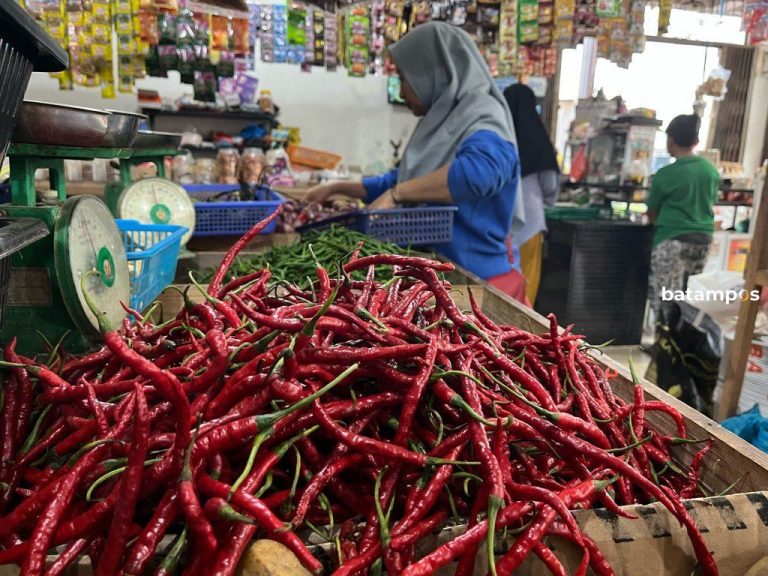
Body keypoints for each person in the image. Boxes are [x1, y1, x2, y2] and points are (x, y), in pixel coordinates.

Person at [306, 22, 528, 302]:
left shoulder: (483, 114)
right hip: (439, 277)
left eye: (403, 78)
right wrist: (337, 187)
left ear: (431, 71)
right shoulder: (446, 117)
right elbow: (403, 180)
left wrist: (397, 195)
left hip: (476, 283)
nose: (401, 92)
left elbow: (478, 174)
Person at [646, 114, 718, 314]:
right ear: (694, 141)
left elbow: (652, 212)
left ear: (671, 140)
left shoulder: (665, 174)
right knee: (687, 298)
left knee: (665, 298)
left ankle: (665, 342)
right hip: (703, 240)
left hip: (672, 240)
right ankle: (683, 341)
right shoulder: (710, 170)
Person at [503, 83, 560, 306]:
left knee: (500, 289)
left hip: (498, 226)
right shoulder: (539, 143)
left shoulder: (498, 138)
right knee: (525, 290)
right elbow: (550, 187)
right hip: (529, 225)